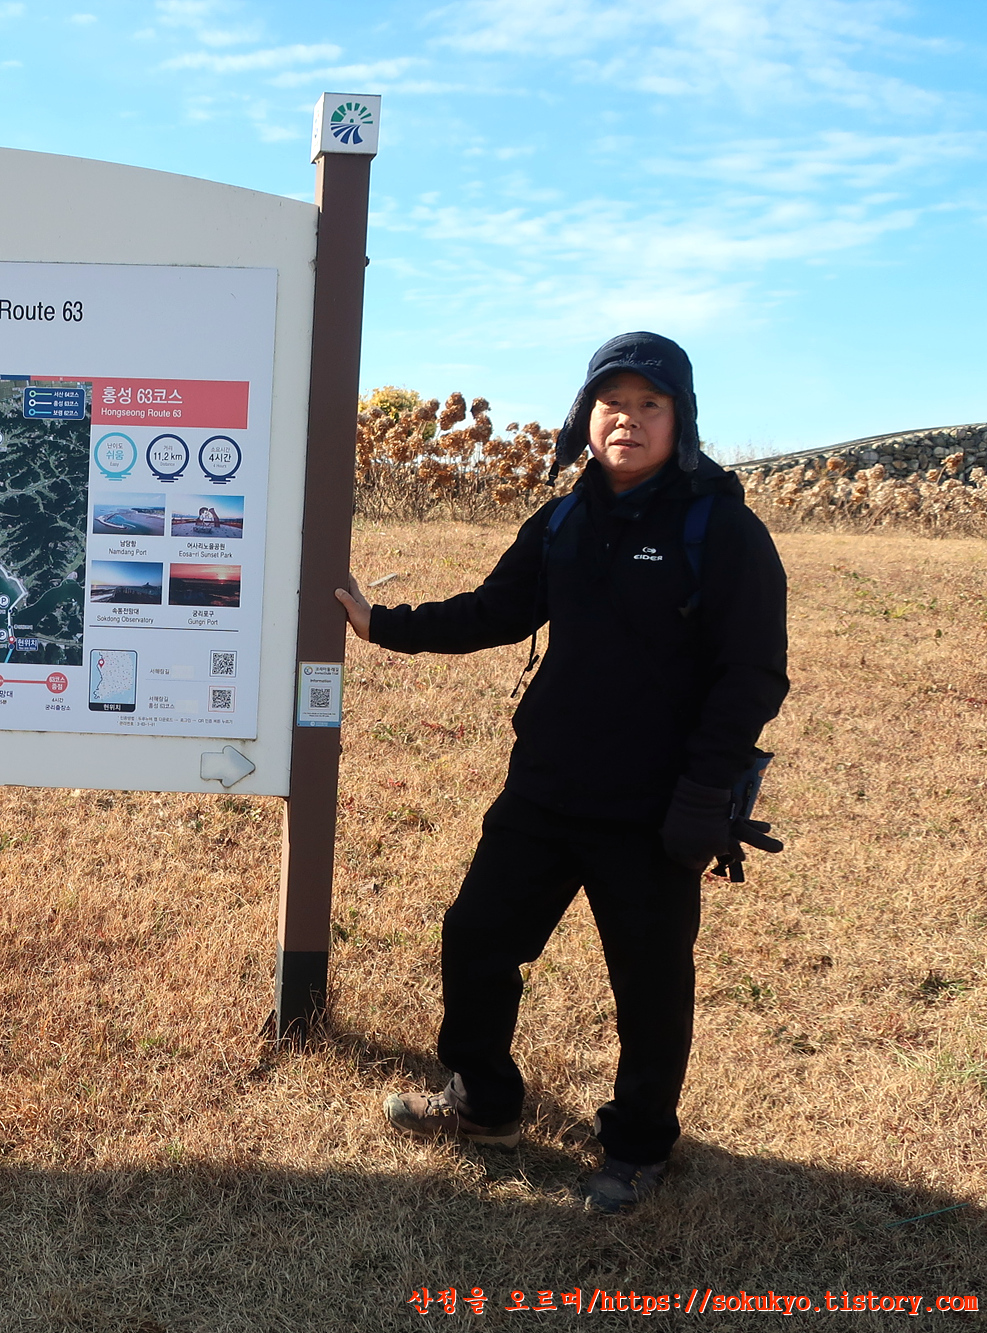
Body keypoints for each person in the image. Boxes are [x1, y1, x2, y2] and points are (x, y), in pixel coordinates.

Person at [333, 332, 789, 1213]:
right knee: (476, 938)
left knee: (649, 984)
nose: (628, 420)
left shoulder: (723, 530)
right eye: (612, 404)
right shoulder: (563, 519)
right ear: (586, 417)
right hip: (545, 787)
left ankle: (638, 1147)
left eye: (650, 404)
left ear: (681, 420)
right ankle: (484, 1102)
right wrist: (384, 623)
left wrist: (705, 792)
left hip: (657, 806)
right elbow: (495, 611)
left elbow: (754, 674)